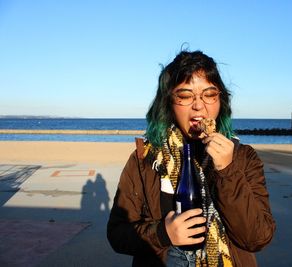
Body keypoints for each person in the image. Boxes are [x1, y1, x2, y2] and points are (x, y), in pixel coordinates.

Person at [107, 50, 275, 266]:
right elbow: (117, 235)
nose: (199, 105)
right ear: (168, 102)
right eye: (185, 96)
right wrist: (162, 233)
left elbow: (257, 238)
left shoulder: (243, 157)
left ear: (220, 100)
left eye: (209, 94)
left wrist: (227, 170)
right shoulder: (145, 159)